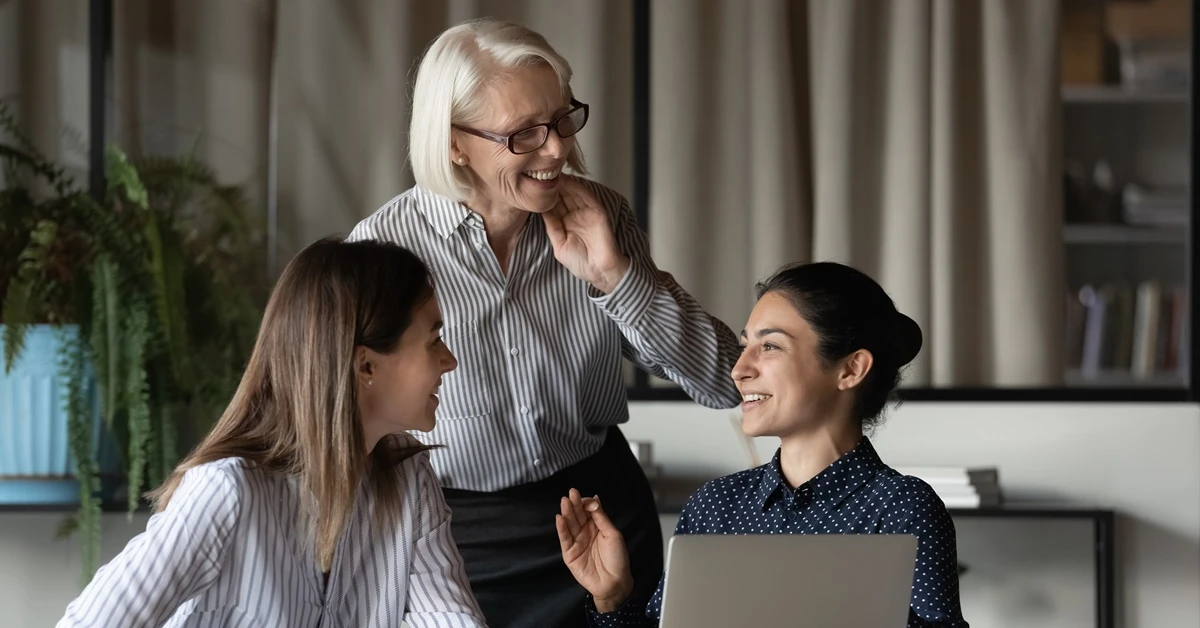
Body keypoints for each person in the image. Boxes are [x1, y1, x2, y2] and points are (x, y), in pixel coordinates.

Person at [346, 17, 741, 628]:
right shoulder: (381, 248)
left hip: (602, 519)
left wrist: (614, 277)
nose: (556, 149)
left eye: (560, 120)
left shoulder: (600, 214)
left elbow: (724, 381)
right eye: (523, 134)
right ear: (454, 142)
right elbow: (334, 414)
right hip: (452, 539)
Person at [56, 238, 488, 628]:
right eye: (434, 340)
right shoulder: (226, 492)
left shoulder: (409, 477)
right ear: (366, 367)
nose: (449, 360)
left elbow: (451, 620)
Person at [557, 261, 970, 628]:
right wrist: (612, 596)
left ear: (850, 369)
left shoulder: (902, 508)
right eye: (743, 346)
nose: (739, 369)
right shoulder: (715, 506)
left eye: (769, 346)